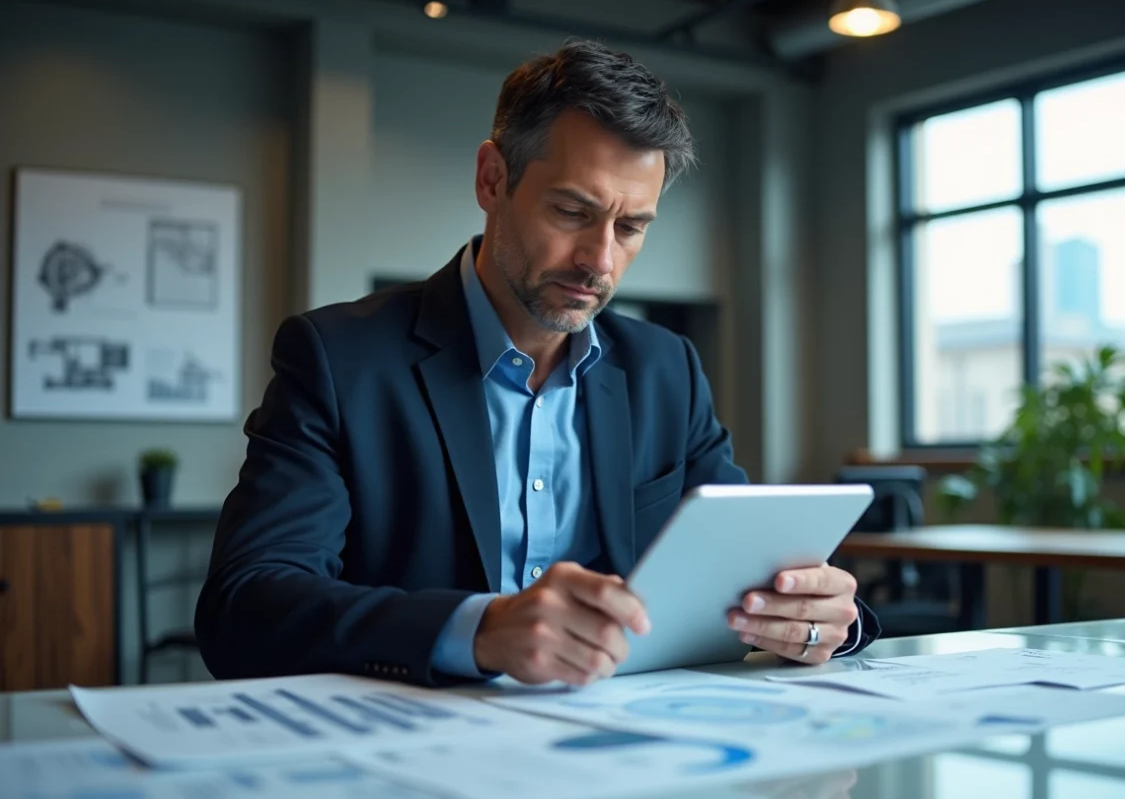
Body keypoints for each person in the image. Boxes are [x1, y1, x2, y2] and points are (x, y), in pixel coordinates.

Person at [194, 38, 879, 689]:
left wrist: (818, 619)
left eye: (631, 227)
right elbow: (245, 606)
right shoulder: (339, 359)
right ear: (493, 179)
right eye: (572, 211)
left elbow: (746, 573)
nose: (600, 261)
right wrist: (478, 629)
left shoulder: (667, 369)